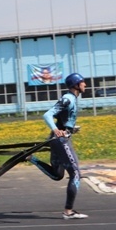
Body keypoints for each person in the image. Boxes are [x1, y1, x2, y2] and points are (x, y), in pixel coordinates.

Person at [30, 72, 88, 220]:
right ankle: (68, 211)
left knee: (57, 175)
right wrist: (56, 130)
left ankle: (33, 159)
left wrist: (70, 128)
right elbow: (47, 115)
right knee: (75, 173)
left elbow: (63, 119)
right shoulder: (68, 98)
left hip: (56, 140)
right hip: (60, 141)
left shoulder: (71, 98)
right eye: (83, 82)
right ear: (76, 85)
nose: (85, 85)